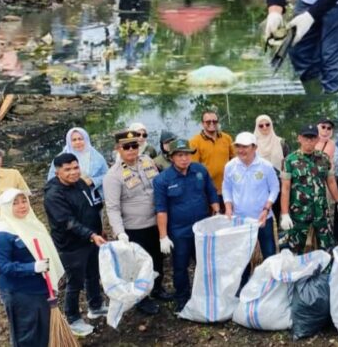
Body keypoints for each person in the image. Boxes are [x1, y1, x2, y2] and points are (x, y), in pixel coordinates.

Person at [102, 129, 172, 315]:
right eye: (127, 147)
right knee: (140, 265)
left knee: (157, 258)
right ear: (118, 149)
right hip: (134, 228)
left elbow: (158, 187)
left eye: (135, 145)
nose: (132, 150)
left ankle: (157, 288)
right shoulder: (113, 176)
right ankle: (142, 297)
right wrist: (120, 232)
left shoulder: (148, 162)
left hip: (155, 222)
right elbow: (113, 208)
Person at [43, 152, 108, 337]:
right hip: (71, 246)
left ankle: (95, 306)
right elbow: (67, 222)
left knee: (93, 274)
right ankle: (72, 318)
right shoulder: (54, 195)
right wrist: (91, 234)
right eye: (68, 169)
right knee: (75, 282)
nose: (73, 172)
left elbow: (92, 207)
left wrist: (99, 229)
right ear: (57, 173)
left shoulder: (80, 183)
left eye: (76, 167)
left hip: (91, 238)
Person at [153, 138, 220, 312]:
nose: (185, 159)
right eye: (180, 155)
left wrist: (217, 212)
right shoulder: (162, 180)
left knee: (204, 263)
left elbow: (211, 192)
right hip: (179, 231)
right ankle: (182, 298)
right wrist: (163, 236)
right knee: (180, 266)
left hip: (202, 227)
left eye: (187, 155)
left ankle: (206, 295)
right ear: (171, 157)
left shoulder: (200, 170)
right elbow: (161, 209)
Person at [0, 188, 66, 347]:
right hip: (20, 292)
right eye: (15, 203)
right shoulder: (2, 233)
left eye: (24, 201)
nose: (22, 206)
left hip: (41, 287)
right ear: (6, 207)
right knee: (27, 333)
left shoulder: (32, 223)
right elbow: (3, 267)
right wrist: (32, 267)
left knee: (43, 329)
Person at [223, 132, 280, 290]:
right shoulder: (230, 166)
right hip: (240, 219)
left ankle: (272, 284)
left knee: (269, 252)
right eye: (238, 146)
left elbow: (275, 188)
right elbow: (226, 188)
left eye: (245, 147)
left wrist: (266, 208)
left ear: (254, 147)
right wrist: (228, 206)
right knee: (242, 255)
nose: (241, 150)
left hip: (263, 218)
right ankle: (241, 286)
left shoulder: (265, 166)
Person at [279, 124, 338, 253]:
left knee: (327, 248)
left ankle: (324, 271)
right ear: (299, 138)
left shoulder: (324, 158)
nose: (309, 141)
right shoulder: (289, 160)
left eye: (312, 138)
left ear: (317, 139)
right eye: (306, 138)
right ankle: (298, 272)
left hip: (321, 212)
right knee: (296, 250)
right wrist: (285, 214)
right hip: (299, 214)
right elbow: (285, 189)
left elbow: (331, 182)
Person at [46, 127, 108, 202]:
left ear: (86, 139)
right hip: (69, 198)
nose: (78, 142)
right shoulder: (60, 158)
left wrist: (92, 181)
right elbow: (52, 180)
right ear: (69, 141)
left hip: (93, 197)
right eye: (74, 140)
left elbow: (107, 175)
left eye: (80, 139)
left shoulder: (97, 156)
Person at [189, 110, 234, 211]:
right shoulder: (194, 142)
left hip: (228, 188)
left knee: (229, 219)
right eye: (208, 122)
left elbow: (235, 159)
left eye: (214, 121)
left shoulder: (227, 138)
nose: (212, 124)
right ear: (202, 124)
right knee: (213, 221)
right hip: (208, 191)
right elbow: (194, 168)